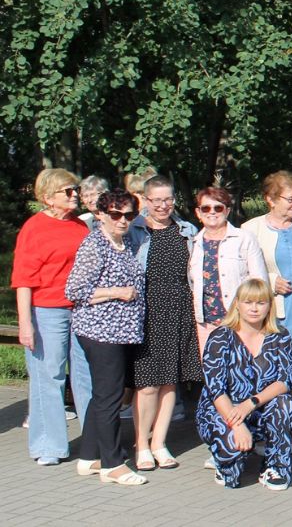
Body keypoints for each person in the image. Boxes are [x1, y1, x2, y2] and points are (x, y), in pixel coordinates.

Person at [64, 188, 148, 486]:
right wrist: (117, 292)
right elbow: (74, 290)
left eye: (129, 215)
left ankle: (89, 456)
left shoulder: (122, 243)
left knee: (103, 395)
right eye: (116, 214)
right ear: (101, 214)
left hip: (120, 332)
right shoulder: (95, 245)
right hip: (100, 331)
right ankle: (112, 464)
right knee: (110, 397)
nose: (123, 220)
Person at [12, 167, 91, 466]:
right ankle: (49, 445)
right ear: (48, 197)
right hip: (47, 310)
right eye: (68, 191)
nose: (75, 196)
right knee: (49, 376)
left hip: (82, 309)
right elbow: (23, 280)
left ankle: (95, 442)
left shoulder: (80, 227)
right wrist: (25, 324)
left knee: (86, 376)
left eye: (75, 190)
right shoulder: (34, 228)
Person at [126, 175, 201, 472]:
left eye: (167, 199)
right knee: (146, 385)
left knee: (170, 383)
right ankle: (141, 444)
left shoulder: (186, 231)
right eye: (156, 200)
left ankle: (160, 442)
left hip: (179, 309)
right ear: (145, 200)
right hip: (146, 312)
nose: (162, 205)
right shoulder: (135, 231)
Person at [196, 278, 292, 490]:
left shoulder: (280, 336)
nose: (254, 308)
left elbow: (284, 381)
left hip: (258, 407)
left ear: (270, 306)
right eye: (248, 302)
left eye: (261, 303)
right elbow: (215, 389)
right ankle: (224, 460)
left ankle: (275, 466)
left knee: (286, 404)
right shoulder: (220, 337)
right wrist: (237, 423)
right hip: (224, 409)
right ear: (237, 304)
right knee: (231, 479)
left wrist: (250, 404)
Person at [242, 170, 292, 452]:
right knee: (271, 371)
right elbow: (244, 271)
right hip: (274, 310)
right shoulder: (252, 228)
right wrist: (271, 281)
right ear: (270, 200)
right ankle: (264, 431)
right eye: (289, 199)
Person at [187, 186, 269, 355]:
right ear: (198, 212)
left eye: (218, 208)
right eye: (206, 208)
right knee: (212, 374)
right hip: (205, 323)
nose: (212, 212)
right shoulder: (192, 243)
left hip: (240, 321)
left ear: (227, 211)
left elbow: (260, 282)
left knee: (242, 371)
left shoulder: (244, 239)